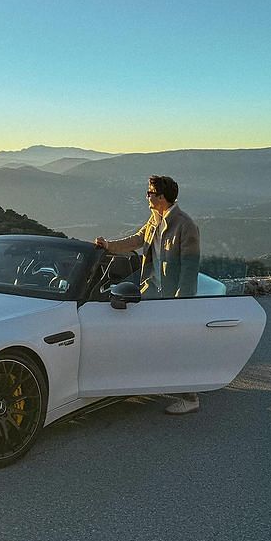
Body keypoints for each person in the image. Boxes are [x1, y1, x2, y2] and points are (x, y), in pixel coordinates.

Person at [94, 174, 201, 415]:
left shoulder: (185, 225)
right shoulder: (154, 221)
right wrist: (108, 245)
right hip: (151, 292)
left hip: (174, 298)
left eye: (150, 192)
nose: (147, 196)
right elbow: (135, 240)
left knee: (176, 345)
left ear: (162, 197)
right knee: (148, 338)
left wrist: (182, 303)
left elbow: (190, 268)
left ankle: (190, 397)